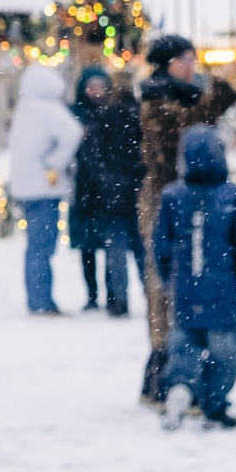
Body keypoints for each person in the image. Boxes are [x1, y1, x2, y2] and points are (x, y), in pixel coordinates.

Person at [135, 36, 236, 405]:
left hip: (187, 204)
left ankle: (180, 377)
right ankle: (164, 376)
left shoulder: (183, 94)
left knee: (185, 285)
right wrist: (222, 90)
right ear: (167, 63)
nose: (191, 65)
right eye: (184, 59)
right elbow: (190, 130)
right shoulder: (158, 101)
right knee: (165, 287)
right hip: (166, 205)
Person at [151, 126, 236, 430]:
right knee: (224, 357)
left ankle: (179, 390)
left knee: (184, 348)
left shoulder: (173, 197)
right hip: (224, 296)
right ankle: (214, 405)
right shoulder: (233, 198)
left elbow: (161, 245)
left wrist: (168, 280)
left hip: (186, 294)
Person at [6, 61, 84, 315]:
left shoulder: (24, 109)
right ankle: (42, 302)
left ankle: (36, 298)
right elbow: (74, 133)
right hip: (44, 186)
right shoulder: (49, 110)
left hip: (26, 188)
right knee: (43, 247)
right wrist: (55, 163)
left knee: (34, 247)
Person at [70, 65, 146, 317]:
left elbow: (93, 159)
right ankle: (138, 296)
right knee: (133, 249)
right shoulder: (133, 117)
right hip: (119, 193)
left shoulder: (100, 120)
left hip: (107, 195)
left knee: (116, 249)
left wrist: (105, 183)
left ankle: (117, 298)